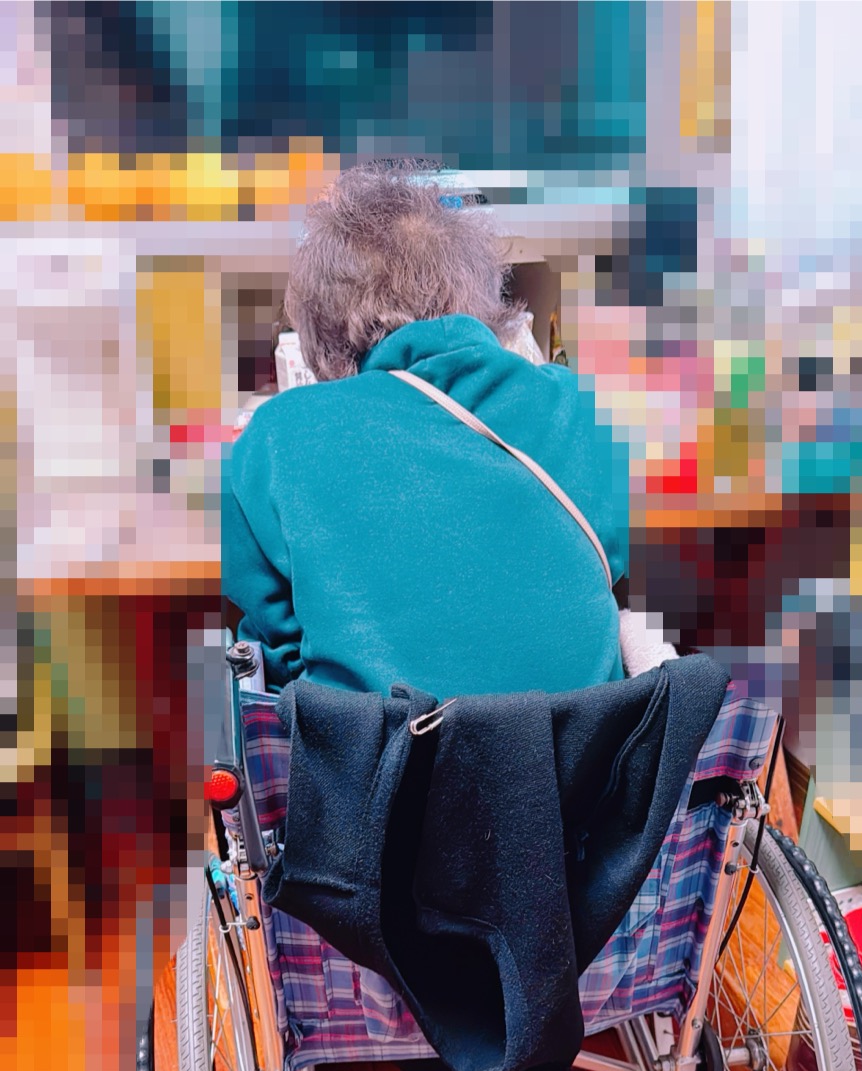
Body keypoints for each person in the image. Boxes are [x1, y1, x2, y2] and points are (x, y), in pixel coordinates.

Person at [222, 159, 634, 699]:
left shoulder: (277, 437)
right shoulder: (580, 407)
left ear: (319, 323)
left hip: (380, 752)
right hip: (589, 750)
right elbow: (609, 570)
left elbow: (280, 649)